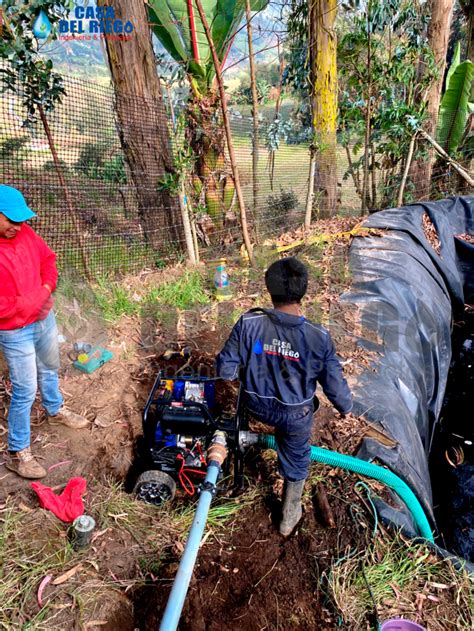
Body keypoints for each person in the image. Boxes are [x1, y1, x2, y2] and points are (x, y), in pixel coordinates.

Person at [216, 257, 353, 536]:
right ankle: (289, 516)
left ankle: (238, 471)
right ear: (304, 291)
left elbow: (226, 370)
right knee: (298, 456)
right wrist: (345, 408)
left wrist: (252, 362)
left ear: (269, 288)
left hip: (255, 405)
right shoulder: (318, 337)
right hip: (294, 415)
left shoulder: (249, 322)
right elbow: (334, 384)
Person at [0, 185, 88, 480]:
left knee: (49, 368)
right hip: (14, 331)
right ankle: (18, 451)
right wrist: (30, 302)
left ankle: (54, 409)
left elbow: (49, 261)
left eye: (21, 220)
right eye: (10, 220)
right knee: (25, 390)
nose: (18, 226)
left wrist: (46, 289)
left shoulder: (26, 234)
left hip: (43, 319)